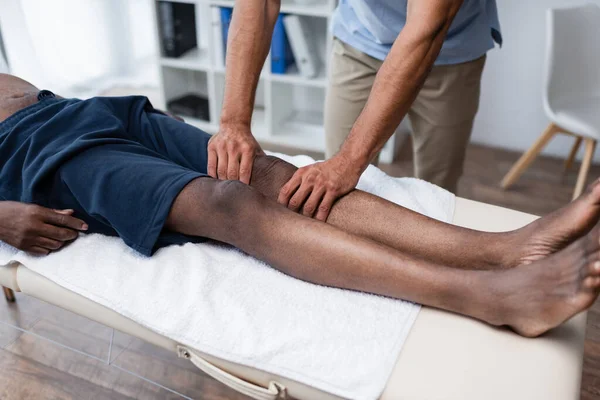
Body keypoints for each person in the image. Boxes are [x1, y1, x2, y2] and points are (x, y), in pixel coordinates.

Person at [1, 73, 600, 338]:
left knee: (274, 174)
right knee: (227, 201)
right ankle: (487, 296)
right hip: (36, 153)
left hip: (82, 107)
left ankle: (503, 250)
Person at [209, 0, 500, 221]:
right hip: (361, 37)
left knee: (435, 190)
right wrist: (233, 122)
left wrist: (348, 162)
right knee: (335, 195)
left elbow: (426, 30)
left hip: (452, 50)